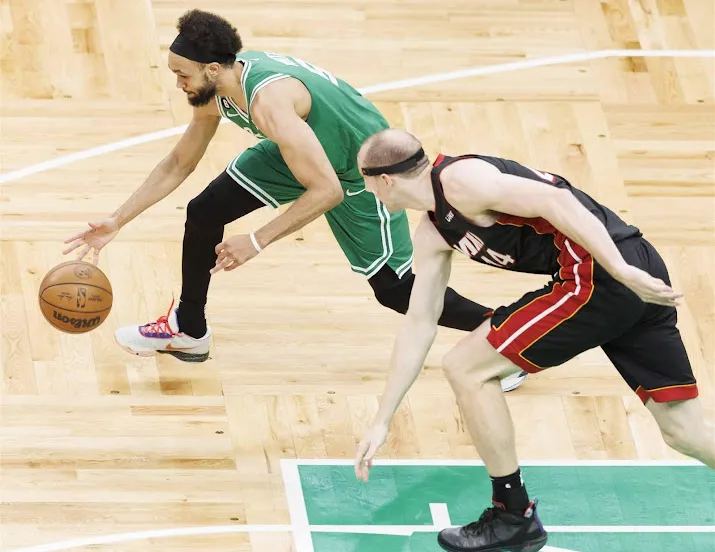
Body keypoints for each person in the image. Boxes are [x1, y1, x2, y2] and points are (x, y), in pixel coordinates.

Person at [61, 10, 527, 392]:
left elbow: (328, 189)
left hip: (363, 170)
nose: (178, 83)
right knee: (205, 212)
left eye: (181, 75)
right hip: (303, 148)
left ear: (212, 68)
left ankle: (506, 337)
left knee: (394, 289)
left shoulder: (269, 103)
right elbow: (178, 163)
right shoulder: (218, 85)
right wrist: (117, 219)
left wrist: (258, 241)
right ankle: (189, 329)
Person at [353, 128, 714, 552]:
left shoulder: (461, 181)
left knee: (466, 368)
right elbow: (419, 322)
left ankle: (513, 516)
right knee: (682, 429)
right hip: (625, 268)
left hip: (598, 276)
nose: (367, 190)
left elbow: (557, 199)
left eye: (365, 181)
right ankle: (513, 517)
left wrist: (618, 269)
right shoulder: (435, 231)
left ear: (385, 180)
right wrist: (383, 417)